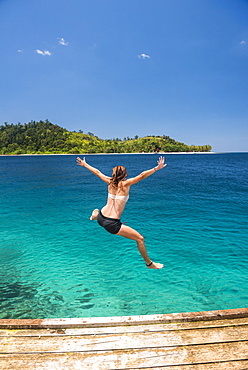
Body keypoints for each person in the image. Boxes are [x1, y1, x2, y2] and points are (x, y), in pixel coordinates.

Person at [76, 156, 167, 269]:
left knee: (99, 213)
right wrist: (156, 168)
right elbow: (142, 175)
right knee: (140, 239)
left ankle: (95, 216)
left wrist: (85, 165)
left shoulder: (109, 181)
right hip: (112, 224)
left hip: (101, 217)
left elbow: (97, 172)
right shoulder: (126, 184)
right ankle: (149, 263)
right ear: (125, 175)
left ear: (113, 174)